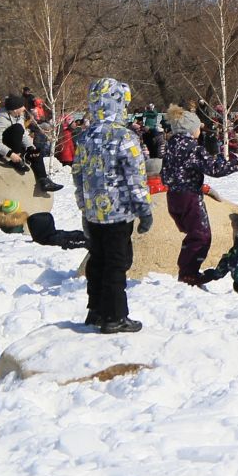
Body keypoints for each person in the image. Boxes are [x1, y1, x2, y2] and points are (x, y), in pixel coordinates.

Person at [72, 77, 152, 335]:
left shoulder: (85, 137)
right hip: (119, 214)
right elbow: (135, 178)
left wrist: (84, 208)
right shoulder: (125, 137)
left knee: (98, 260)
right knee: (118, 263)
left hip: (95, 212)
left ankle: (96, 309)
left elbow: (78, 175)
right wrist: (144, 209)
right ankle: (115, 316)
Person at [163, 112, 238, 285]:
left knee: (193, 234)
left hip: (172, 196)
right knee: (201, 236)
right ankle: (188, 273)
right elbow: (215, 170)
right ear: (191, 129)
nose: (200, 130)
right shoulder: (192, 147)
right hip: (189, 196)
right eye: (198, 127)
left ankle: (186, 270)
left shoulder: (170, 145)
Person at [0, 94, 63, 196]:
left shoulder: (19, 116)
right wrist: (11, 154)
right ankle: (16, 161)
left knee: (36, 152)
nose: (24, 108)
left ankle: (43, 180)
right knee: (17, 128)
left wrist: (30, 147)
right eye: (21, 106)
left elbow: (23, 135)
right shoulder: (1, 118)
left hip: (14, 143)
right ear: (14, 109)